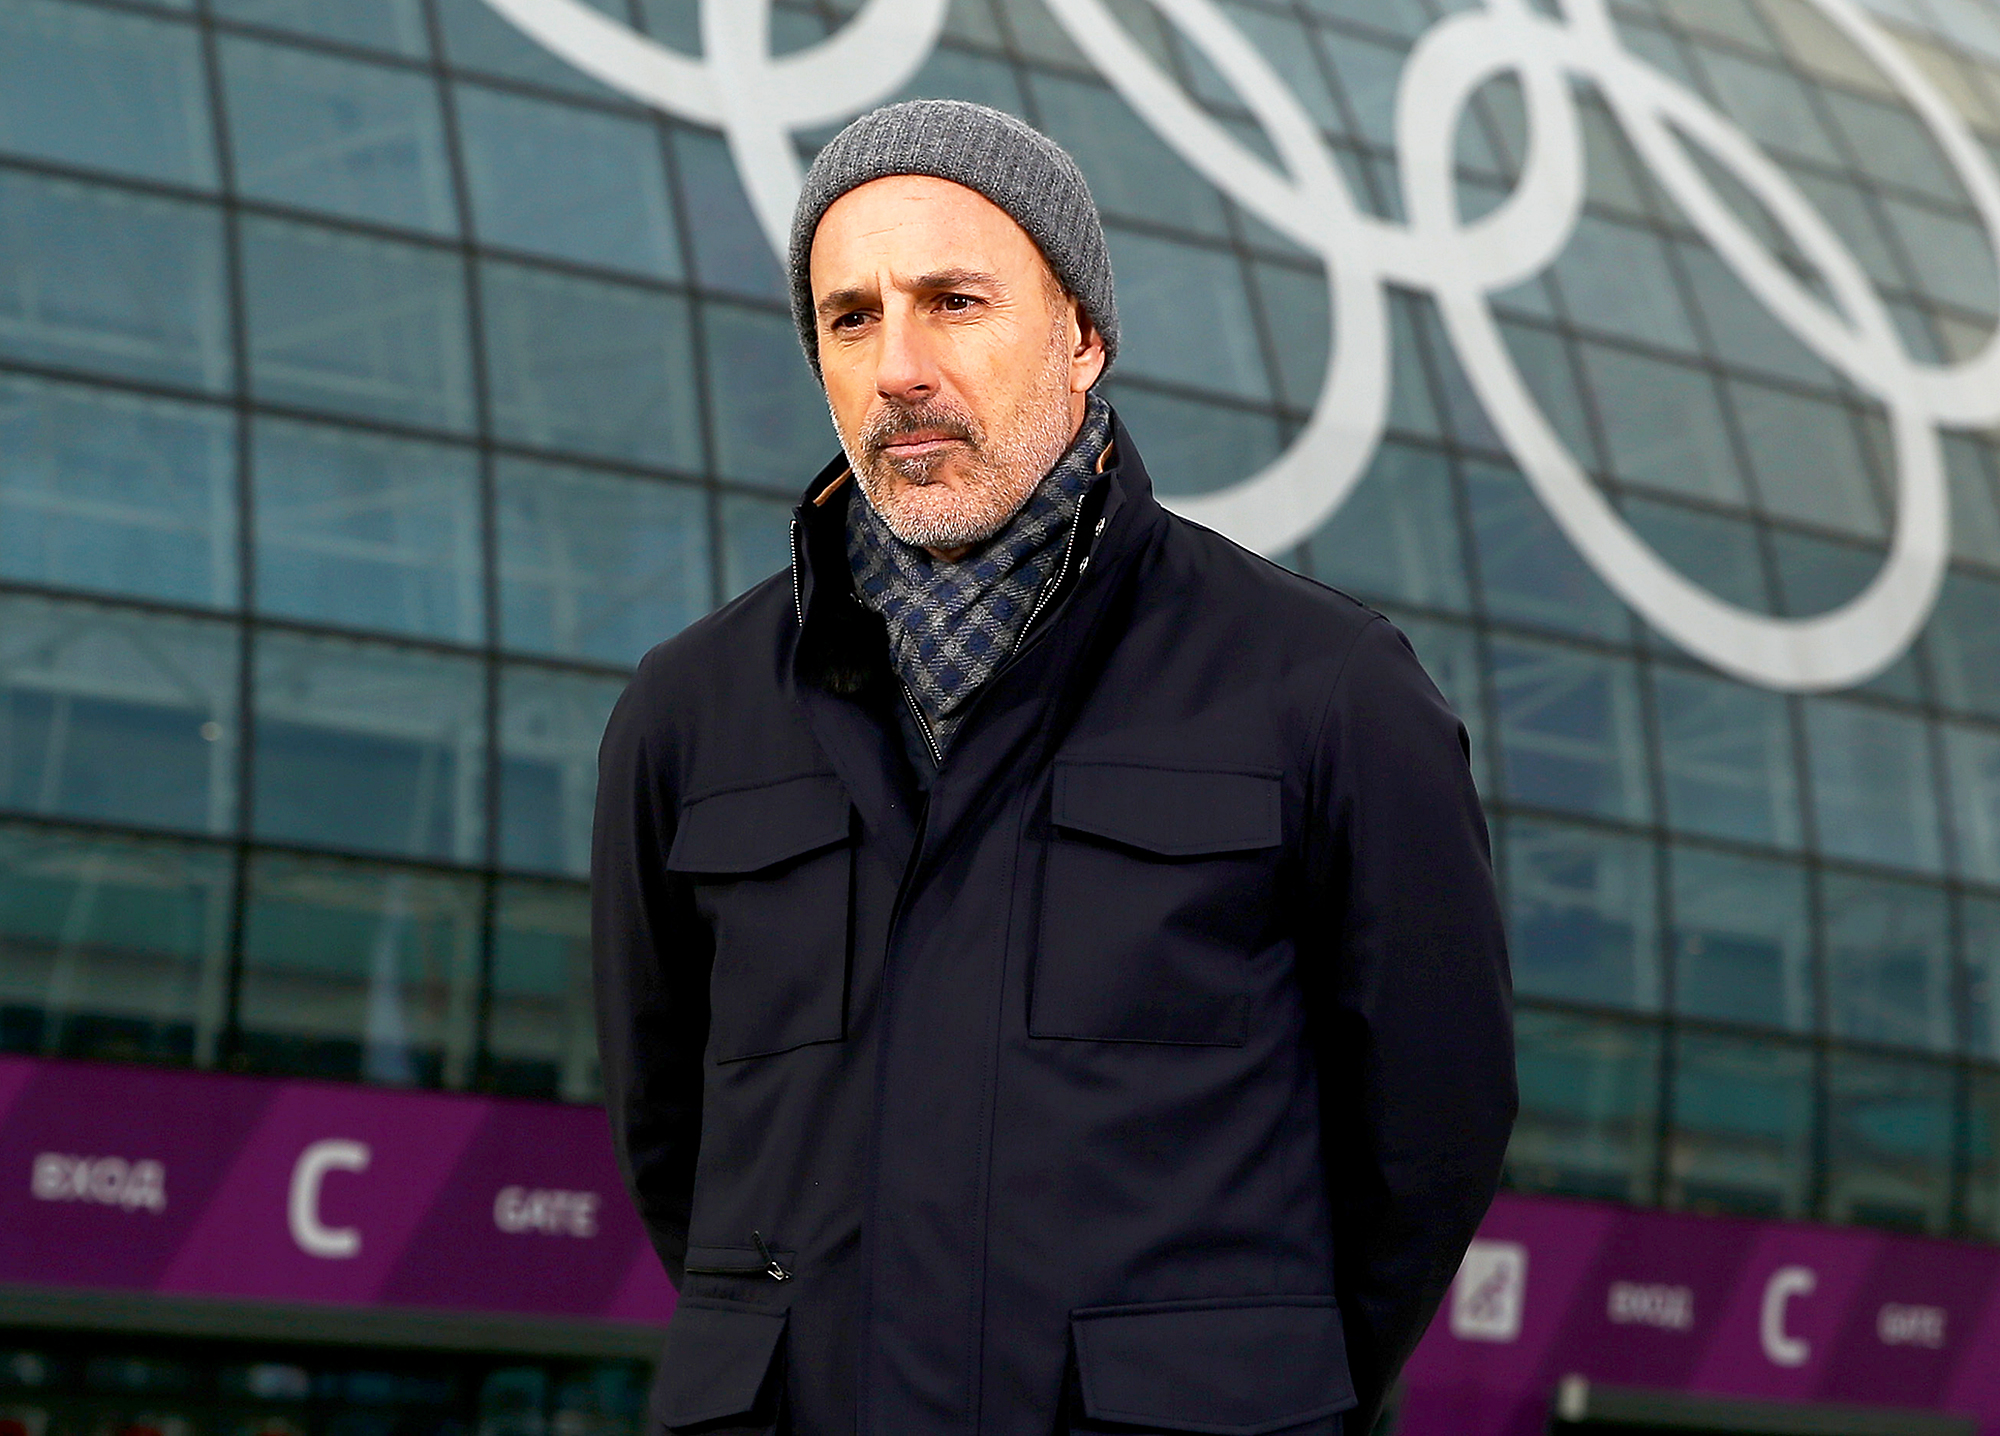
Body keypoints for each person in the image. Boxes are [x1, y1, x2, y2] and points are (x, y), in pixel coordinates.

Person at [593, 99, 1516, 1436]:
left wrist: (1252, 1387)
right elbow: (665, 1123)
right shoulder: (690, 714)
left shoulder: (1322, 690)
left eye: (955, 301)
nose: (898, 364)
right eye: (852, 319)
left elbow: (1430, 1127)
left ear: (1083, 337)